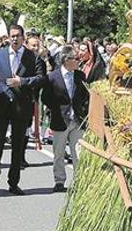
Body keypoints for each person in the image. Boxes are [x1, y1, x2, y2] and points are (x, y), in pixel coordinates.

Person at [0, 24, 46, 195]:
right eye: (11, 36)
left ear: (23, 38)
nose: (14, 39)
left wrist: (23, 81)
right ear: (8, 37)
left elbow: (41, 79)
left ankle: (13, 182)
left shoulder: (32, 57)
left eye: (17, 36)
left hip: (22, 106)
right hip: (2, 105)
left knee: (17, 145)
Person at [41, 45, 89, 193]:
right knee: (59, 153)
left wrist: (83, 111)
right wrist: (56, 110)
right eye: (75, 58)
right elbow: (45, 98)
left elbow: (85, 97)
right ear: (66, 60)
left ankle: (80, 180)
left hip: (77, 121)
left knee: (78, 152)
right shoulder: (52, 77)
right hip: (60, 120)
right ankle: (59, 181)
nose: (78, 61)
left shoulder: (80, 76)